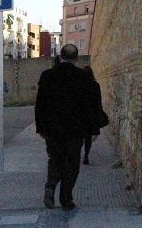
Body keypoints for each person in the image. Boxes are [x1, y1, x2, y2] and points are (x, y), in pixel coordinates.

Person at [34, 44, 100, 210]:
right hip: (75, 130)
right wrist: (94, 129)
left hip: (52, 130)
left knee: (55, 160)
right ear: (76, 58)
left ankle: (50, 187)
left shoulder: (47, 76)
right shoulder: (83, 77)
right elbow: (90, 106)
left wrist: (40, 127)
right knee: (71, 164)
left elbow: (40, 104)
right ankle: (66, 199)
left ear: (60, 56)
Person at [81, 65, 103, 165]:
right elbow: (98, 102)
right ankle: (86, 155)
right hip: (91, 115)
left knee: (79, 136)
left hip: (80, 114)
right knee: (88, 137)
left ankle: (76, 155)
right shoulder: (95, 85)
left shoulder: (78, 85)